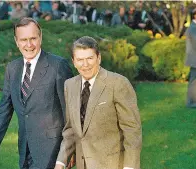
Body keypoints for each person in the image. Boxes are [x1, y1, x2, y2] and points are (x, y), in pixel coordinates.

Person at [0, 17, 73, 169]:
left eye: (33, 38)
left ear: (40, 37)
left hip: (53, 152)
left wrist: (70, 150)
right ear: (16, 41)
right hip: (25, 150)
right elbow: (4, 109)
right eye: (23, 39)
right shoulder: (12, 68)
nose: (29, 45)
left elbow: (70, 112)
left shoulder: (58, 66)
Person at [54, 36, 142, 169]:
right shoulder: (69, 85)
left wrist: (129, 167)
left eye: (90, 58)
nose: (85, 64)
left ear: (98, 58)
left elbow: (132, 131)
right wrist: (60, 162)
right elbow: (71, 129)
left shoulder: (118, 83)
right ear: (74, 62)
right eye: (80, 60)